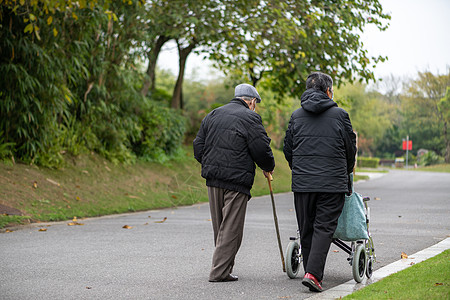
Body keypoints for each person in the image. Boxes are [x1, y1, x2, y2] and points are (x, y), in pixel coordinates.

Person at [193, 83, 275, 282]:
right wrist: (267, 165)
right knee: (231, 228)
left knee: (221, 227)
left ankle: (224, 268)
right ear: (252, 101)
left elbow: (198, 146)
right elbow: (260, 148)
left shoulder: (213, 114)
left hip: (213, 179)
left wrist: (210, 163)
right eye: (256, 103)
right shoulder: (251, 117)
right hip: (237, 180)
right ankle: (219, 272)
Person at [283, 72, 357, 292]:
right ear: (328, 91)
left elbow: (288, 149)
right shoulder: (340, 115)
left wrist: (298, 169)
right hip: (332, 183)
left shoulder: (296, 116)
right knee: (324, 227)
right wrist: (345, 172)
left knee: (306, 227)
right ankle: (313, 274)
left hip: (303, 183)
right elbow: (349, 150)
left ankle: (310, 271)